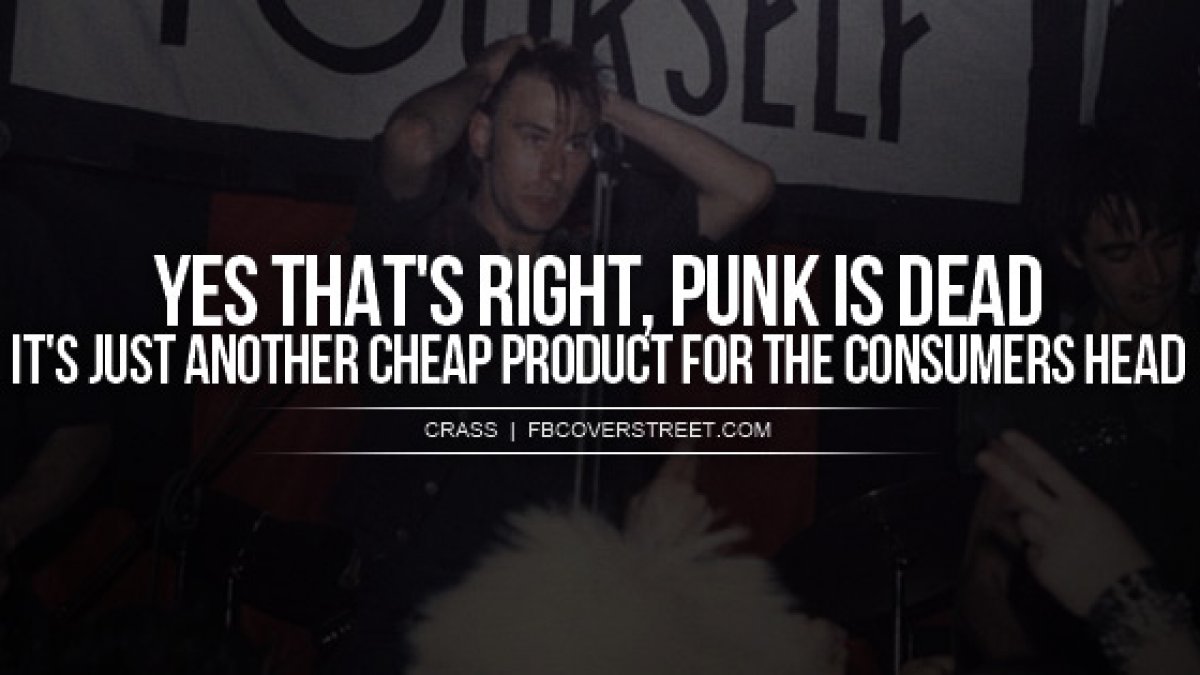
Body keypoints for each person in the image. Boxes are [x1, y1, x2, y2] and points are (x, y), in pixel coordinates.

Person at [332, 37, 775, 674]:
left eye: (574, 146)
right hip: (414, 632)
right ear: (482, 136)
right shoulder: (421, 252)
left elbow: (747, 186)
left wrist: (603, 107)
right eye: (534, 137)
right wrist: (484, 72)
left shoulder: (597, 281)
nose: (554, 169)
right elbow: (413, 139)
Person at [955, 130, 1200, 673]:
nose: (1155, 274)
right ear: (1073, 253)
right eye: (1121, 253)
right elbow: (984, 580)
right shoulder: (1043, 383)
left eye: (1167, 243)